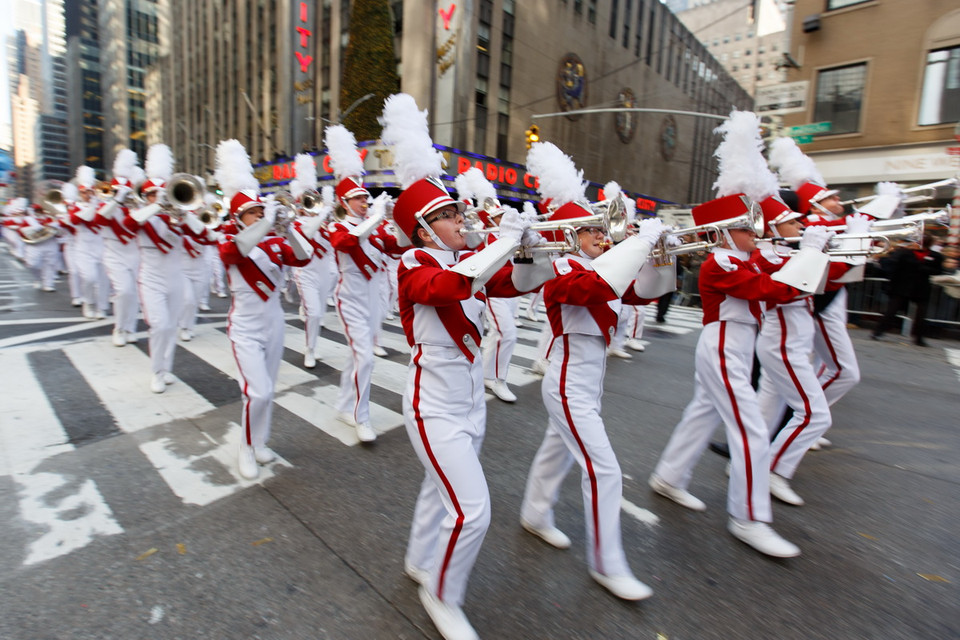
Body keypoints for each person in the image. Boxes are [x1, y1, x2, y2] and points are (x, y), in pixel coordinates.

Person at [382, 92, 552, 640]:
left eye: (457, 210)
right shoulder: (415, 261)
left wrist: (532, 250)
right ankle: (442, 593)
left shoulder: (466, 259)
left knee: (441, 491)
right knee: (473, 510)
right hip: (431, 405)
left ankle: (418, 560)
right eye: (449, 214)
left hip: (469, 398)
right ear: (424, 229)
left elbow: (517, 284)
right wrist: (500, 244)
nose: (461, 219)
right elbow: (446, 287)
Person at [650, 112, 833, 558]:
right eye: (747, 228)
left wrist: (806, 249)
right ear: (726, 233)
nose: (757, 234)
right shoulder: (723, 262)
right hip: (725, 345)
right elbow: (771, 289)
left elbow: (776, 271)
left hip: (734, 344)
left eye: (755, 227)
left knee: (702, 413)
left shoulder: (746, 256)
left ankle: (669, 476)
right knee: (750, 431)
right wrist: (805, 254)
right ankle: (748, 518)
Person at [519, 142, 672, 601]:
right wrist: (639, 242)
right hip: (567, 378)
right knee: (603, 470)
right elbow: (595, 286)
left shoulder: (596, 262)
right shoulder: (560, 266)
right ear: (569, 234)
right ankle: (608, 563)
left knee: (557, 450)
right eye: (593, 230)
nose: (604, 236)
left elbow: (647, 292)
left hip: (587, 377)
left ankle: (535, 511)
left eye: (601, 230)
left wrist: (662, 251)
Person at [214, 139, 313, 479]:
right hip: (244, 326)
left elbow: (303, 256)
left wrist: (289, 228)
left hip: (274, 322)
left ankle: (259, 442)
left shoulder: (274, 241)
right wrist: (265, 224)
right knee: (257, 391)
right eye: (253, 213)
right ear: (238, 218)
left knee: (268, 389)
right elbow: (235, 253)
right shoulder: (228, 239)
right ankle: (245, 446)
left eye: (260, 211)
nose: (260, 217)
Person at [325, 124, 404, 443]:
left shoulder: (376, 226)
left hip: (373, 298)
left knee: (357, 356)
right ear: (345, 202)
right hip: (350, 299)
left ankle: (345, 405)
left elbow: (398, 247)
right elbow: (347, 243)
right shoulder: (336, 226)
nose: (363, 202)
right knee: (365, 357)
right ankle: (360, 416)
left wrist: (396, 220)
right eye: (357, 198)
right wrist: (375, 218)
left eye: (364, 197)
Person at [288, 154, 336, 369]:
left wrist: (331, 220)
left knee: (318, 313)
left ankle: (312, 344)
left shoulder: (325, 224)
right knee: (314, 313)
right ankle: (310, 349)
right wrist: (322, 215)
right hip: (306, 273)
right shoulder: (297, 223)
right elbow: (307, 232)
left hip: (324, 273)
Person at [96, 149, 142, 347]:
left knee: (134, 294)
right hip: (114, 254)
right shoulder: (106, 205)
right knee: (123, 292)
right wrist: (115, 199)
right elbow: (98, 219)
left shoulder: (135, 208)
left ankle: (130, 328)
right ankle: (119, 328)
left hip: (135, 253)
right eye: (116, 191)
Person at [872, 234, 944, 346]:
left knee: (921, 314)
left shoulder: (936, 256)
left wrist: (923, 268)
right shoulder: (904, 253)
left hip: (921, 288)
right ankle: (878, 332)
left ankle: (919, 338)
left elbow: (938, 270)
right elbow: (893, 266)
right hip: (902, 286)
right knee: (891, 310)